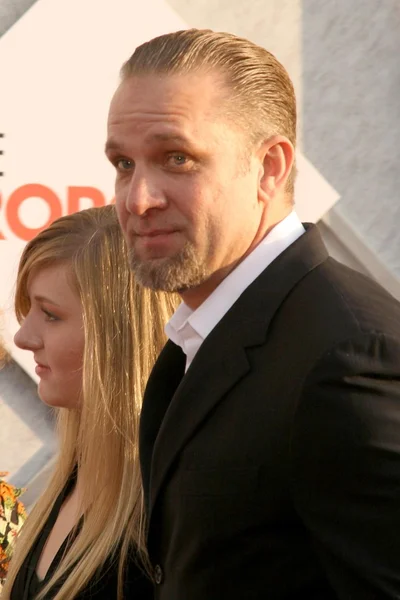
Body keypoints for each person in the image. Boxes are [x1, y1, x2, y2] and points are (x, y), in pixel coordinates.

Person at [105, 28, 400, 600]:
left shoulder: (347, 357)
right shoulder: (198, 341)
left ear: (270, 167)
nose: (138, 199)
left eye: (177, 158)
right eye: (123, 163)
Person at [2, 205, 178, 599]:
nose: (23, 336)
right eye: (29, 310)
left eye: (49, 314)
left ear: (117, 337)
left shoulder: (167, 518)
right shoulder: (72, 480)